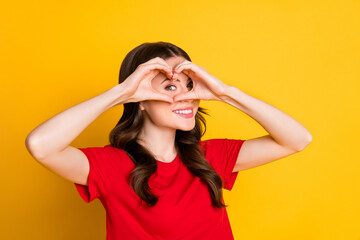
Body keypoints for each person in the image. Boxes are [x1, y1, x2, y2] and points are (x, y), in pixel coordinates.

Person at [25, 41, 312, 239]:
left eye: (190, 85)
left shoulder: (211, 157)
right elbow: (40, 145)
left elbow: (297, 139)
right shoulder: (111, 166)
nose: (186, 96)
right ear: (141, 100)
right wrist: (121, 93)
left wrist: (224, 92)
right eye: (170, 86)